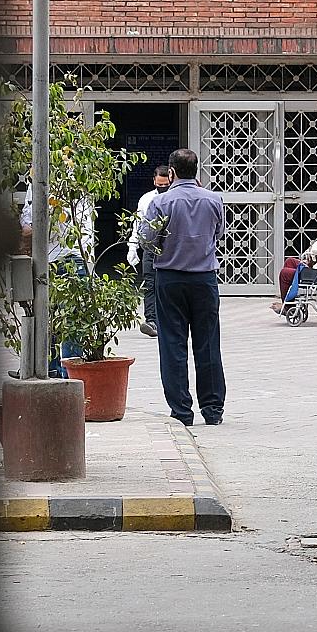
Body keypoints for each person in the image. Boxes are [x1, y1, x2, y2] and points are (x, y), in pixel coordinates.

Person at [139, 148, 226, 427]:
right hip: (204, 279)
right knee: (208, 343)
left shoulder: (161, 202)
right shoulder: (214, 200)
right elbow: (218, 234)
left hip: (170, 279)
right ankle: (213, 409)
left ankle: (181, 411)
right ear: (196, 171)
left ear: (172, 172)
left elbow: (146, 240)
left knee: (173, 345)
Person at [21, 183, 92, 378]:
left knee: (71, 320)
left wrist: (31, 229)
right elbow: (28, 220)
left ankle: (69, 375)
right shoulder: (33, 182)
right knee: (47, 319)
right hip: (46, 260)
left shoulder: (71, 179)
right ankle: (51, 371)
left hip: (71, 257)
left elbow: (41, 223)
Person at [126, 165, 173, 338]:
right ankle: (151, 320)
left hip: (169, 249)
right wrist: (133, 246)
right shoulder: (146, 199)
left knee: (167, 285)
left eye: (165, 185)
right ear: (154, 181)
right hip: (150, 247)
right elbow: (137, 224)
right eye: (159, 185)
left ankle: (167, 321)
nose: (162, 188)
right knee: (149, 284)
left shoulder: (174, 198)